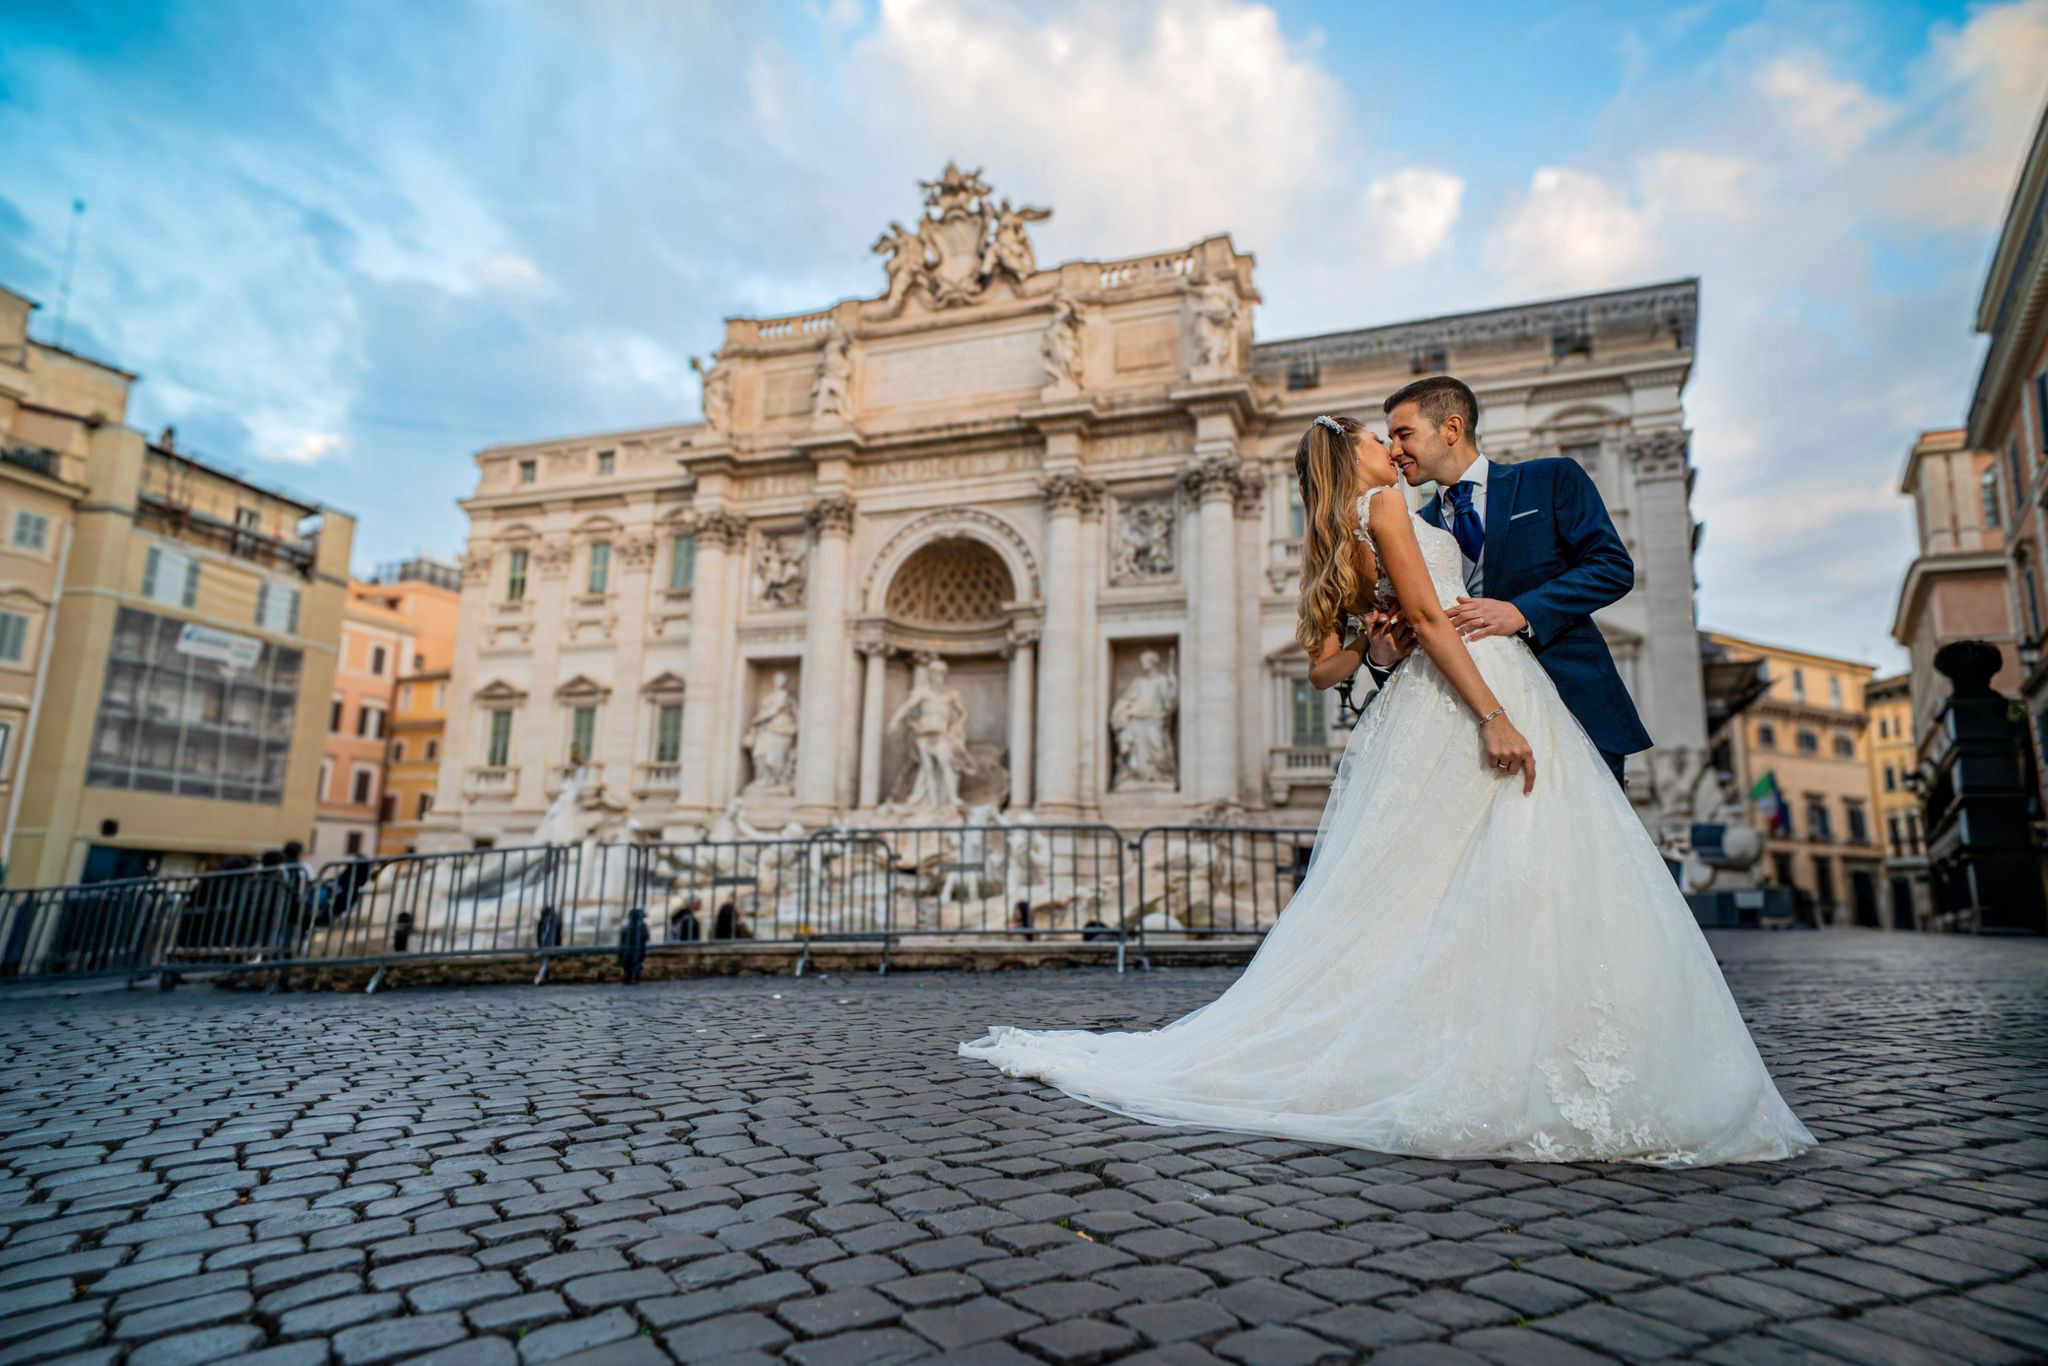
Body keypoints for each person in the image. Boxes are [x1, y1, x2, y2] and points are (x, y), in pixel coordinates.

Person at [959, 408, 1816, 1166]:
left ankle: (1521, 1036)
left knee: (1462, 878)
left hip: (1453, 693)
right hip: (1474, 691)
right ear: (1356, 458)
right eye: (1380, 437)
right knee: (1525, 863)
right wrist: (1490, 713)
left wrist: (1381, 648)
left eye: (1398, 431)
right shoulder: (1384, 509)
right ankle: (1534, 1041)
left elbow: (1335, 658)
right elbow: (1430, 620)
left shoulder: (1359, 526)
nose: (1391, 444)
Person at [1363, 376, 1650, 787]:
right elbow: (1426, 631)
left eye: (1403, 434)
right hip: (1469, 725)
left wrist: (1521, 611)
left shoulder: (1551, 479)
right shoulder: (1411, 529)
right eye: (1389, 439)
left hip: (1571, 703)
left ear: (1452, 428)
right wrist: (1381, 659)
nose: (1394, 451)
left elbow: (1611, 567)